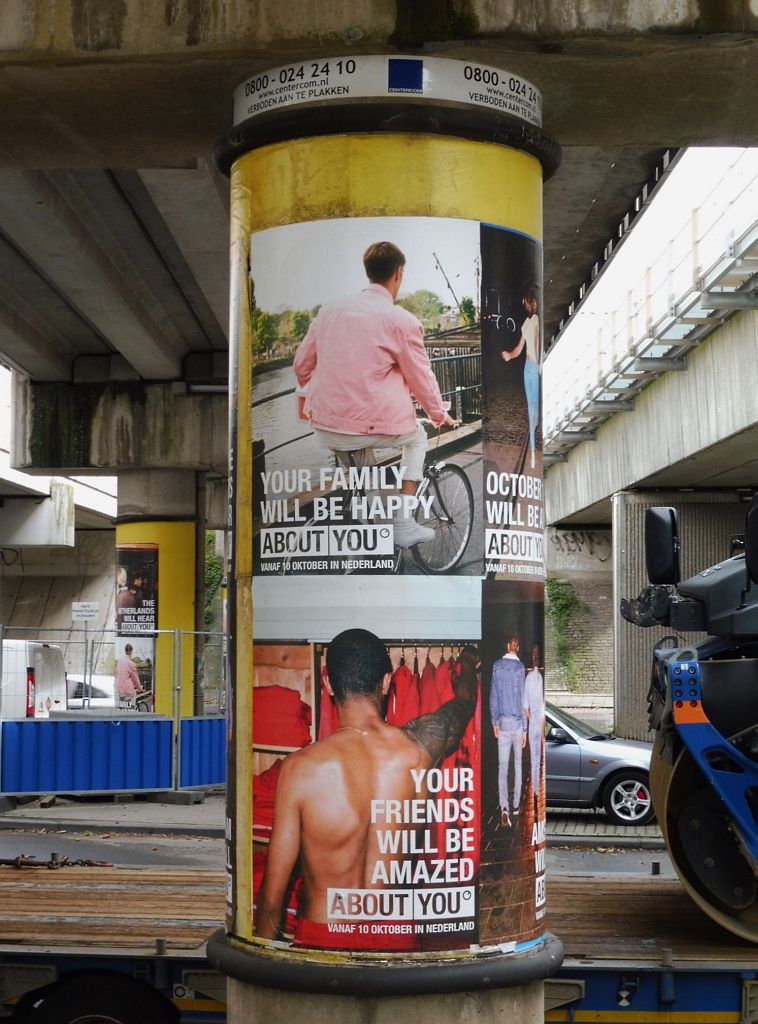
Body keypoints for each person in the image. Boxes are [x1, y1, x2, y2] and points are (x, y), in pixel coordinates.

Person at [256, 628, 478, 948]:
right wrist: (468, 662)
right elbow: (463, 704)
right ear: (386, 682)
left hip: (324, 937)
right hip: (393, 935)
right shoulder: (419, 751)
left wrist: (265, 971)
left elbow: (272, 901)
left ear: (327, 682)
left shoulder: (300, 770)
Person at [293, 242, 458, 548]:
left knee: (363, 473)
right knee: (417, 437)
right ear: (399, 273)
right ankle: (403, 522)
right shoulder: (401, 322)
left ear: (367, 272)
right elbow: (421, 378)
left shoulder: (328, 312)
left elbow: (301, 366)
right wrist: (439, 415)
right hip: (366, 427)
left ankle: (366, 530)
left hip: (326, 426)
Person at [501, 284, 541, 470]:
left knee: (535, 413)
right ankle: (531, 453)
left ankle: (532, 448)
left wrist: (539, 365)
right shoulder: (526, 323)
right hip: (528, 368)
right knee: (530, 411)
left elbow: (536, 344)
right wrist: (509, 354)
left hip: (533, 367)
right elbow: (520, 348)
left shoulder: (535, 321)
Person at [489, 635, 526, 827]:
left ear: (507, 645)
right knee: (517, 766)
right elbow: (522, 700)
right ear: (517, 647)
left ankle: (503, 807)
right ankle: (516, 805)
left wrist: (495, 722)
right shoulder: (520, 669)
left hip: (502, 724)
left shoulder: (496, 666)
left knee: (502, 768)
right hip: (518, 724)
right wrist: (525, 730)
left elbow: (493, 696)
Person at [523, 643, 545, 817]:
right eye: (534, 655)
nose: (536, 657)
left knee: (538, 757)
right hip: (534, 721)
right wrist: (531, 720)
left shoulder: (540, 678)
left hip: (539, 719)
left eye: (538, 654)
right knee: (534, 757)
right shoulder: (530, 678)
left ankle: (537, 789)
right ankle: (535, 790)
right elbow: (525, 704)